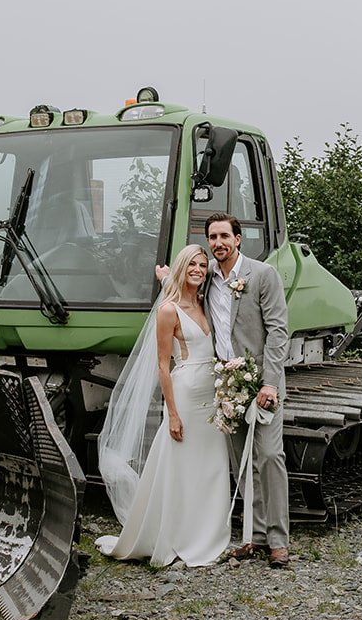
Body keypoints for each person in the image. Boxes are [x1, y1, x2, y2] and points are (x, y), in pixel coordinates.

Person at [95, 244, 230, 567]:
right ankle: (176, 534)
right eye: (192, 265)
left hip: (211, 398)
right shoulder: (168, 311)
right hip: (185, 395)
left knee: (210, 465)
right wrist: (172, 413)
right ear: (183, 267)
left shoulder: (203, 302)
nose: (198, 269)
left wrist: (167, 277)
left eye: (202, 264)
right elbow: (162, 365)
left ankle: (208, 532)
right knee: (181, 466)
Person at [204, 211, 293, 568]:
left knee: (270, 457)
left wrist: (269, 382)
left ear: (238, 238)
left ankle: (278, 540)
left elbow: (278, 331)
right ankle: (253, 537)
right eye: (212, 237)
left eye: (224, 236)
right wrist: (166, 278)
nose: (218, 243)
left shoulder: (262, 274)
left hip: (261, 382)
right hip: (227, 383)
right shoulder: (207, 276)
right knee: (240, 463)